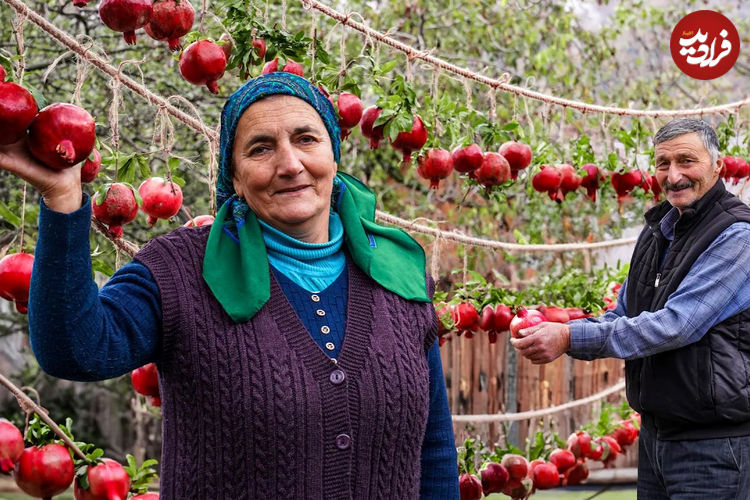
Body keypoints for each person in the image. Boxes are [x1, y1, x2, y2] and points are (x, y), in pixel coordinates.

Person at [0, 73, 459, 499]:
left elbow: (433, 449)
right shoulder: (180, 271)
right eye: (260, 148)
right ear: (234, 178)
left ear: (333, 156)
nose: (290, 163)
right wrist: (63, 199)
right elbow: (75, 349)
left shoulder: (397, 273)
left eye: (306, 139)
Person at [511, 118, 750, 499]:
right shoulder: (657, 231)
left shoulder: (737, 237)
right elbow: (623, 314)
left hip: (714, 445)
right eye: (662, 163)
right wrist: (558, 330)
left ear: (718, 166)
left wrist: (570, 335)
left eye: (687, 161)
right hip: (657, 439)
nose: (673, 175)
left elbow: (675, 325)